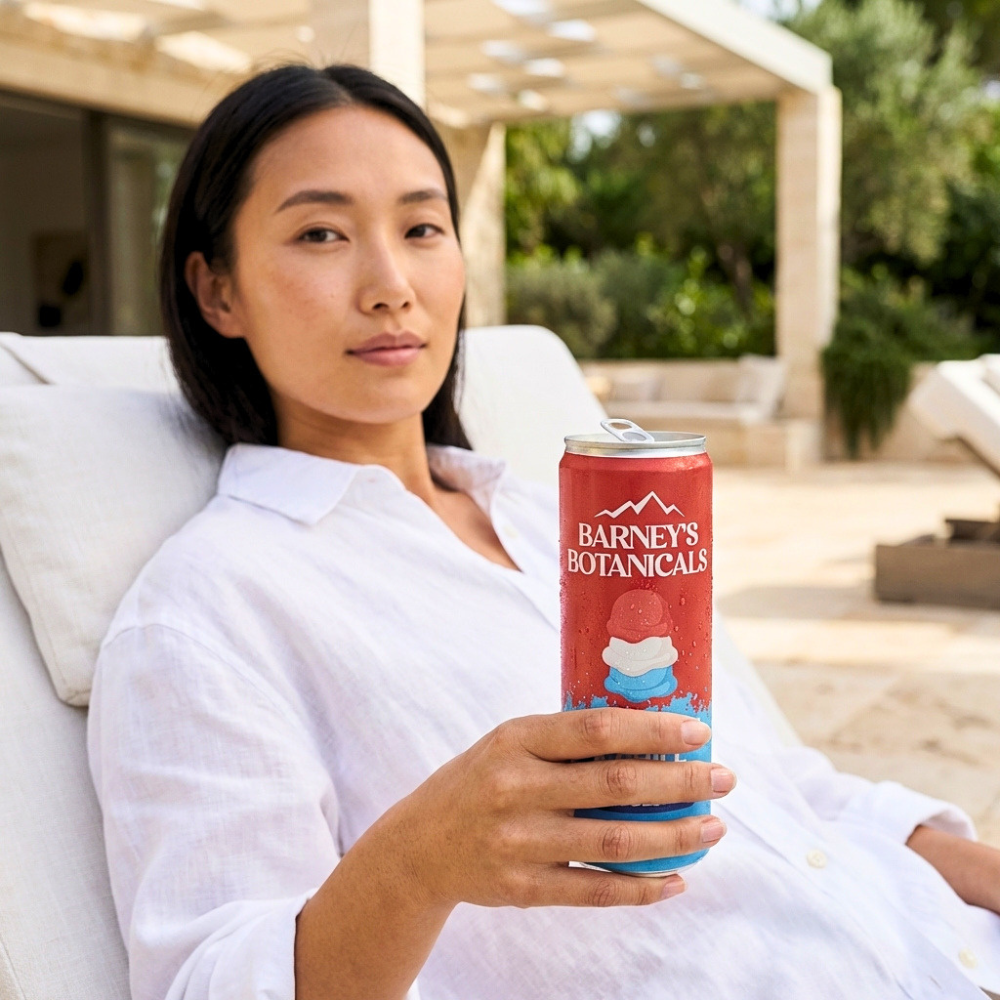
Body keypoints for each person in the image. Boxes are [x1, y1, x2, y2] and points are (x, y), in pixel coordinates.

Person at [86, 63, 1000, 1000]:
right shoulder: (205, 614)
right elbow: (211, 981)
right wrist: (419, 859)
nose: (392, 284)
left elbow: (778, 783)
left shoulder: (559, 513)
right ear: (216, 292)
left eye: (422, 227)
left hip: (939, 942)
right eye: (321, 232)